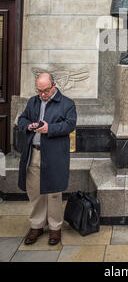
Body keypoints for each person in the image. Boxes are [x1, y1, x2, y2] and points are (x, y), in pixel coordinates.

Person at [18, 72, 77, 246]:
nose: (42, 94)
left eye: (45, 90)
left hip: (55, 155)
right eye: (39, 91)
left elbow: (70, 124)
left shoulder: (67, 103)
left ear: (54, 85)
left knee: (53, 194)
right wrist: (28, 125)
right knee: (35, 192)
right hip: (34, 153)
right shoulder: (33, 102)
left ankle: (55, 228)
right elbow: (21, 119)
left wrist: (49, 128)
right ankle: (36, 225)